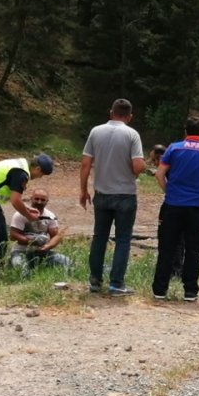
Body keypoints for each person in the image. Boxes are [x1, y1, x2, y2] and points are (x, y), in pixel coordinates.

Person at [152, 117, 199, 302]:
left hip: (173, 205)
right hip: (197, 208)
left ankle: (160, 290)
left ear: (185, 132)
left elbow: (159, 174)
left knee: (167, 248)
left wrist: (168, 190)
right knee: (193, 249)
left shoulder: (174, 148)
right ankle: (190, 291)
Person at [80, 98, 146, 296]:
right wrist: (142, 166)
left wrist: (83, 190)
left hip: (102, 194)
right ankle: (116, 284)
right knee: (123, 240)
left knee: (99, 237)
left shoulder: (96, 131)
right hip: (125, 194)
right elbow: (137, 166)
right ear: (130, 117)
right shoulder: (132, 134)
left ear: (111, 112)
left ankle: (94, 281)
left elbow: (85, 164)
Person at [0, 154, 54, 277]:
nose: (39, 177)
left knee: (0, 236)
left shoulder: (19, 164)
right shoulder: (21, 173)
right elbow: (15, 200)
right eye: (41, 175)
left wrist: (27, 208)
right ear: (37, 169)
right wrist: (29, 216)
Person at [9, 188, 72, 273]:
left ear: (47, 201)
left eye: (42, 200)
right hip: (21, 251)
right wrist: (31, 241)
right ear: (31, 199)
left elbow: (56, 236)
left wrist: (47, 246)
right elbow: (13, 235)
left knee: (67, 262)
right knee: (21, 269)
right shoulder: (20, 214)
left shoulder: (50, 216)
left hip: (42, 252)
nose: (39, 202)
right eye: (36, 199)